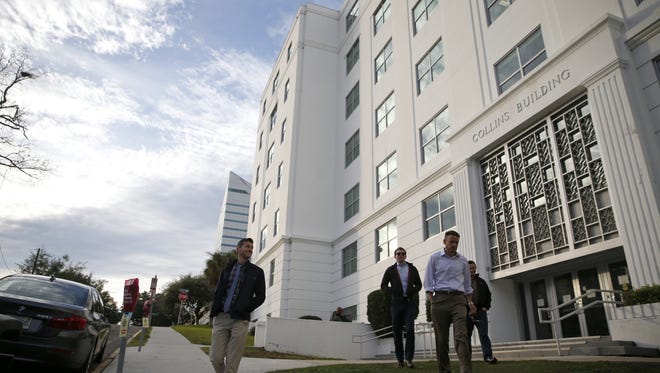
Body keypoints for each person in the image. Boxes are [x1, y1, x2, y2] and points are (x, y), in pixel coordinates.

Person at [209, 238, 266, 373]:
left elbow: (260, 297)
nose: (250, 249)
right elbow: (218, 293)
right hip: (221, 317)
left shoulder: (257, 272)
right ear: (238, 249)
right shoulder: (227, 269)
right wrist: (213, 312)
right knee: (215, 358)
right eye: (247, 246)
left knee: (232, 363)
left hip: (240, 320)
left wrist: (246, 307)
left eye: (251, 247)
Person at [424, 230, 476, 373]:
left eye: (456, 242)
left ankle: (465, 369)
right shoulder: (434, 258)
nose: (454, 245)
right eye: (451, 242)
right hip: (439, 300)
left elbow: (467, 285)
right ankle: (445, 370)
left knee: (462, 336)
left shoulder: (463, 261)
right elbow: (428, 283)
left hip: (458, 300)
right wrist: (433, 301)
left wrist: (470, 303)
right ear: (444, 242)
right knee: (441, 340)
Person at [380, 247, 423, 368]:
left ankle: (409, 359)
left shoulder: (412, 269)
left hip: (409, 303)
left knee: (410, 330)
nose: (401, 255)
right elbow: (383, 285)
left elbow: (419, 284)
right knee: (397, 332)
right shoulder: (390, 270)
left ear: (406, 255)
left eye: (403, 253)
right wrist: (393, 291)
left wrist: (412, 291)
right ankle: (400, 360)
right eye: (398, 254)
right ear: (395, 256)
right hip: (396, 304)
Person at [467, 260, 497, 364]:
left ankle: (488, 357)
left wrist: (486, 307)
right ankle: (467, 359)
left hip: (480, 312)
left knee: (484, 335)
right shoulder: (462, 282)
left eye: (473, 268)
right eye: (470, 268)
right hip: (467, 313)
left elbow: (488, 295)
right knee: (466, 337)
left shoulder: (481, 281)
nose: (472, 270)